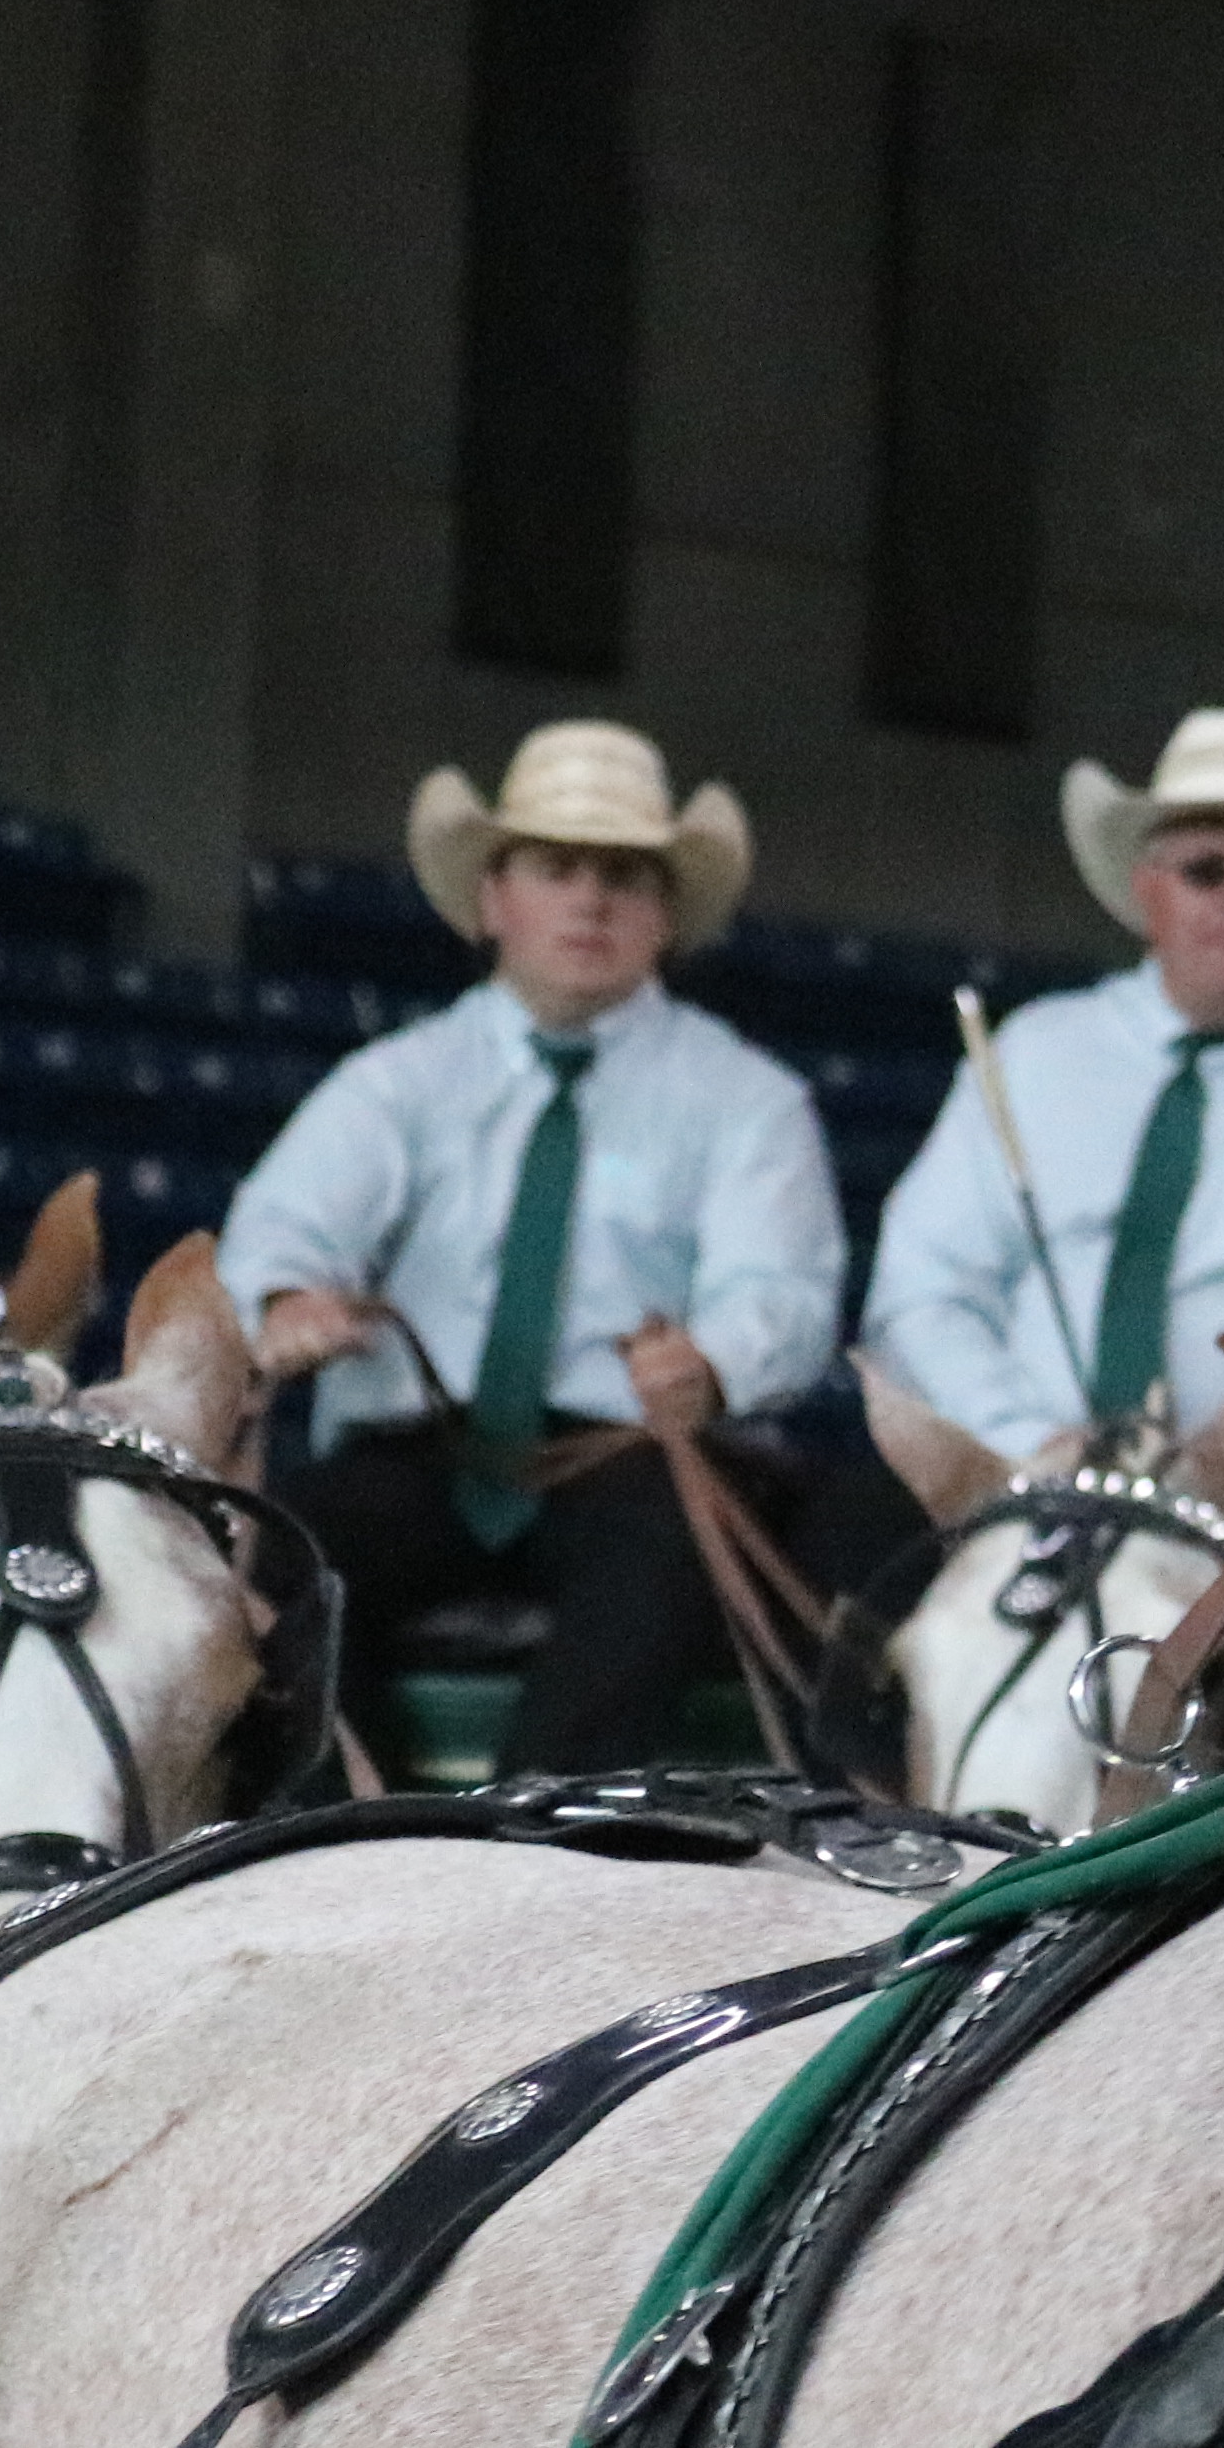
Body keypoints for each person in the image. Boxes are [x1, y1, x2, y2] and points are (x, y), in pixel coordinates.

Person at [222, 720, 845, 1777]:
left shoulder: (747, 1098)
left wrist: (715, 1362)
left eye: (624, 875)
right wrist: (288, 1300)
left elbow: (781, 1291)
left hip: (625, 1457)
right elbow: (280, 1228)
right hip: (423, 1450)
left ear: (668, 915)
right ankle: (352, 1832)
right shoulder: (399, 1080)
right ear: (492, 900)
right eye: (557, 868)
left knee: (663, 1555)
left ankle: (539, 1843)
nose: (590, 899)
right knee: (281, 1558)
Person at [862, 705, 1224, 1468]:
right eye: (1205, 870)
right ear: (1148, 892)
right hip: (1027, 1489)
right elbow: (926, 1290)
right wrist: (1025, 1445)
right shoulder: (1037, 1053)